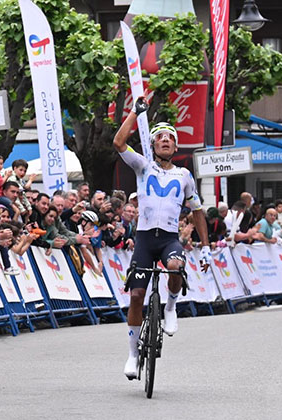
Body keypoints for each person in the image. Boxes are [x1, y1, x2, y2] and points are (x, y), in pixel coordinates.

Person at [113, 97, 210, 380]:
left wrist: (205, 247)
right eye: (160, 137)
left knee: (176, 267)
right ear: (153, 145)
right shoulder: (143, 167)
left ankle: (170, 306)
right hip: (145, 240)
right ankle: (132, 355)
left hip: (168, 239)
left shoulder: (184, 176)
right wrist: (134, 112)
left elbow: (197, 211)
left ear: (176, 147)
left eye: (170, 137)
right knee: (136, 296)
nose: (165, 140)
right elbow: (119, 143)